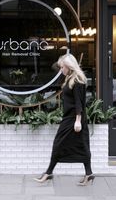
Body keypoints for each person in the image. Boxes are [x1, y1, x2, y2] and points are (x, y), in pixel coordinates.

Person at [33, 53, 94, 186]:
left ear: (69, 66)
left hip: (73, 119)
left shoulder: (76, 80)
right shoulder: (70, 78)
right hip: (69, 117)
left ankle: (48, 172)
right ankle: (89, 174)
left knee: (59, 144)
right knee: (82, 145)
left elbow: (79, 102)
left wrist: (78, 121)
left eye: (62, 67)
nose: (61, 70)